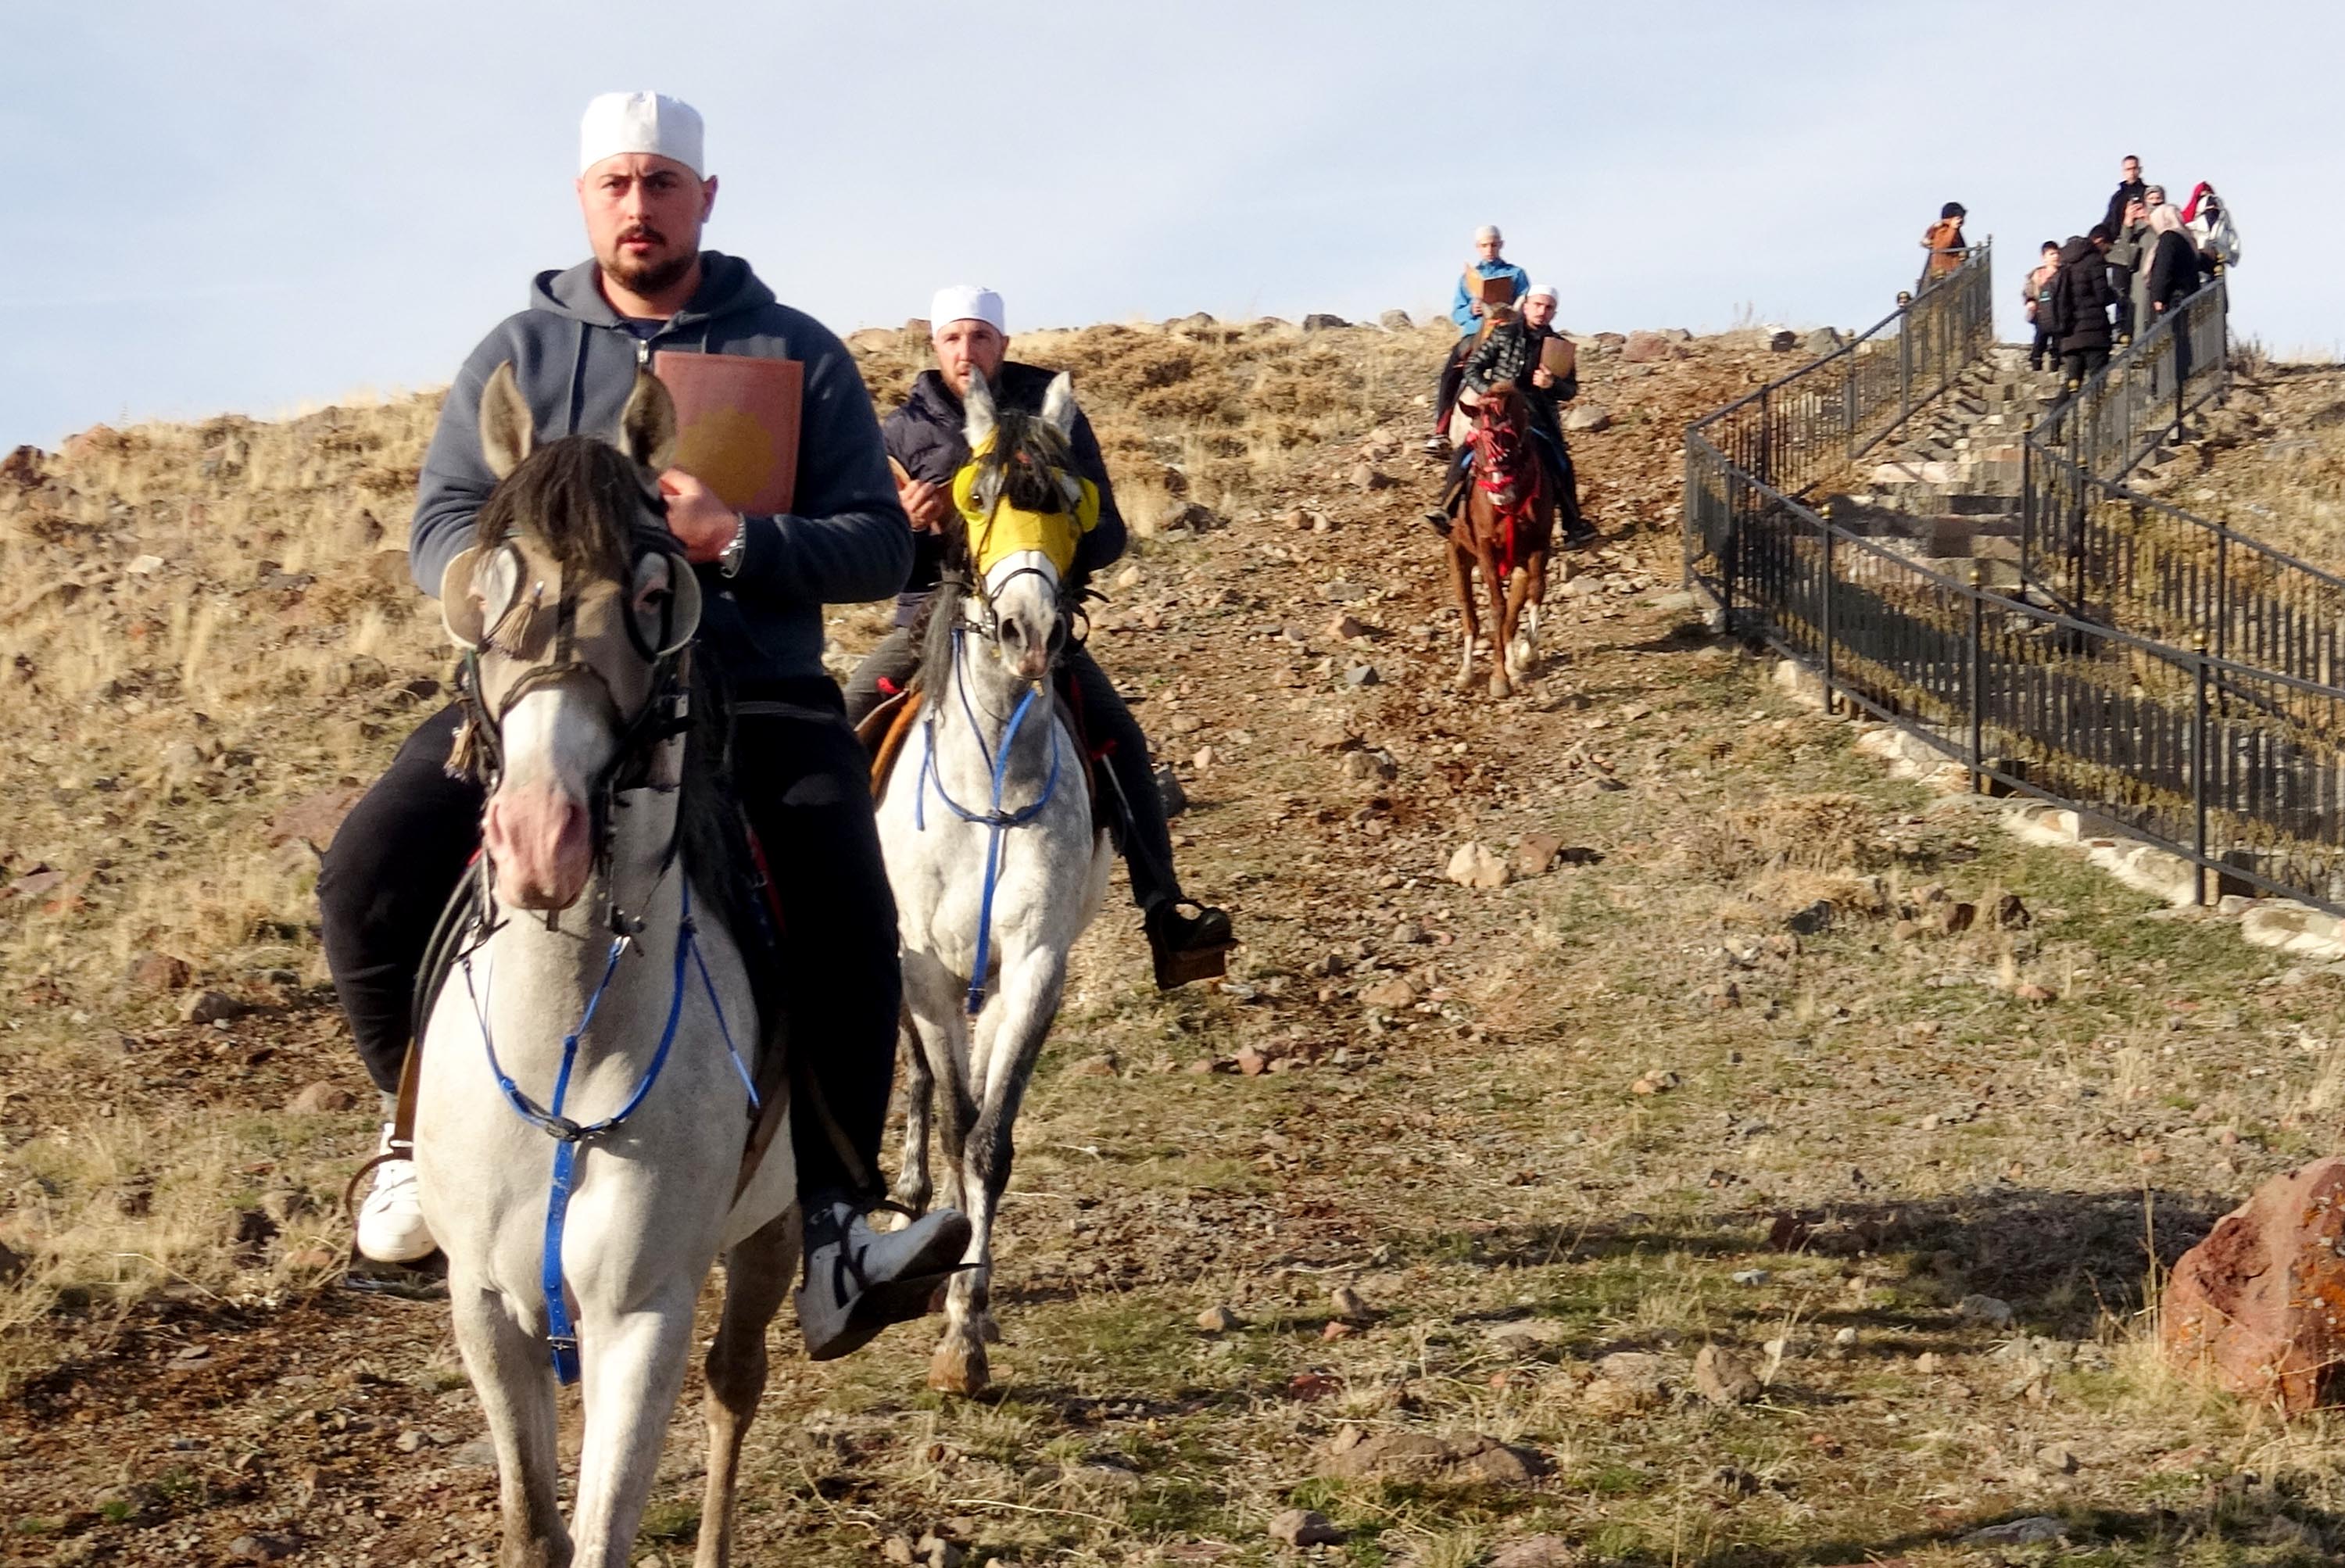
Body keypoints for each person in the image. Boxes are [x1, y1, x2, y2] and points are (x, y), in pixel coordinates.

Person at [318, 91, 969, 1359]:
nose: (638, 204)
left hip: (756, 693)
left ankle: (834, 1228)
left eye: (662, 183)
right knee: (365, 874)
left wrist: (742, 541)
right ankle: (412, 1150)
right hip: (545, 690)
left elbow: (879, 539)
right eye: (616, 183)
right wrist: (514, 579)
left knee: (849, 912)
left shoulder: (794, 349)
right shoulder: (518, 353)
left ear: (704, 200)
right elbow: (442, 525)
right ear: (585, 199)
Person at [840, 285, 1237, 985]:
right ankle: (821, 910)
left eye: (980, 338)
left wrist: (1063, 529)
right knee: (843, 718)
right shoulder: (897, 436)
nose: (967, 353)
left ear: (1004, 344)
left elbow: (1109, 532)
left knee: (1119, 736)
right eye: (953, 339)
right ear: (934, 347)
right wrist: (903, 524)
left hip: (1036, 622)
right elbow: (868, 553)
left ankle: (1165, 912)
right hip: (931, 616)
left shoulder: (1057, 419)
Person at [1423, 283, 1595, 543]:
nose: (1542, 311)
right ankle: (1446, 508)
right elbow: (1472, 368)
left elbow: (1570, 390)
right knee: (1468, 450)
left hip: (1538, 418)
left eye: (1548, 308)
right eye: (1537, 305)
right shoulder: (1504, 334)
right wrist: (1491, 392)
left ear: (1554, 313)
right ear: (1526, 307)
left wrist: (1552, 385)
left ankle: (1573, 523)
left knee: (1560, 462)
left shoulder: (1560, 347)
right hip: (1497, 413)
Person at [1427, 225, 1531, 451]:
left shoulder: (1516, 274)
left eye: (1494, 244)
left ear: (1501, 245)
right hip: (1475, 335)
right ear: (1477, 247)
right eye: (1485, 245)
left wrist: (1513, 311)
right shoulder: (1468, 278)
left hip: (1507, 333)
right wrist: (1471, 310)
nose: (1489, 249)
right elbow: (1457, 313)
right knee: (1451, 373)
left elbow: (1528, 304)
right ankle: (1441, 432)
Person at [2050, 227, 2118, 387]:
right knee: (2098, 382)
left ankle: (2057, 412)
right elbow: (2102, 296)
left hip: (2069, 335)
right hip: (2094, 333)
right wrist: (2116, 296)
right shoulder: (2094, 261)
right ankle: (2098, 411)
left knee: (2072, 384)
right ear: (2097, 241)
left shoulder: (2063, 264)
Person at [2105, 195, 2149, 342]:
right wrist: (2128, 223)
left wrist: (2148, 219)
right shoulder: (2127, 229)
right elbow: (2124, 256)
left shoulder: (2152, 226)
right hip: (2131, 279)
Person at [2022, 241, 2062, 372]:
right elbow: (2028, 290)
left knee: (2058, 339)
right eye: (2051, 254)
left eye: (2057, 253)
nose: (2055, 256)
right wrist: (2030, 301)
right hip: (2041, 312)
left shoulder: (2063, 273)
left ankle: (2055, 361)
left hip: (2059, 312)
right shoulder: (2037, 274)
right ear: (2044, 257)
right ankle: (2036, 360)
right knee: (2040, 337)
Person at [2182, 181, 2241, 270]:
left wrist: (2230, 256)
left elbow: (2233, 238)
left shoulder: (2224, 219)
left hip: (2219, 260)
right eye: (2202, 197)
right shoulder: (2189, 222)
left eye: (2209, 196)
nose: (2207, 200)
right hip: (2198, 261)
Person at [1917, 202, 1968, 288]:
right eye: (1958, 217)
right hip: (1945, 272)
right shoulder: (1943, 229)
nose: (1961, 220)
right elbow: (1942, 246)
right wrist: (1952, 228)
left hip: (1953, 271)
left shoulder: (1955, 231)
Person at [2103, 154, 2148, 239]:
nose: (2132, 172)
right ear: (2123, 172)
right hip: (2119, 240)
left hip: (2144, 237)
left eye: (2134, 168)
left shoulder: (2149, 193)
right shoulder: (2117, 197)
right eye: (2128, 169)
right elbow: (2109, 220)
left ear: (2140, 170)